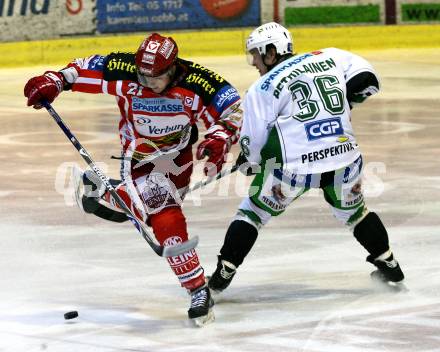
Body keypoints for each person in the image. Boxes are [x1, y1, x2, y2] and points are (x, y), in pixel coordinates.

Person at [24, 33, 242, 326]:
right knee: (166, 217)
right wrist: (54, 80)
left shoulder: (199, 82)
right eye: (142, 73)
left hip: (179, 162)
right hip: (140, 160)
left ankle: (106, 195)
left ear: (173, 68)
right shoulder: (124, 70)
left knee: (148, 213)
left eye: (155, 77)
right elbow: (80, 69)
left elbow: (234, 110)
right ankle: (197, 288)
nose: (146, 81)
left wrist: (220, 137)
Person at [208, 22, 405, 294]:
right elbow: (368, 80)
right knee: (354, 212)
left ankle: (223, 272)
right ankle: (389, 264)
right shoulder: (329, 56)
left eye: (255, 53)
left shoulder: (262, 87)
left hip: (294, 170)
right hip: (344, 160)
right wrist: (343, 105)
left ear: (271, 52)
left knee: (253, 213)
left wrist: (249, 161)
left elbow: (253, 140)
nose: (253, 61)